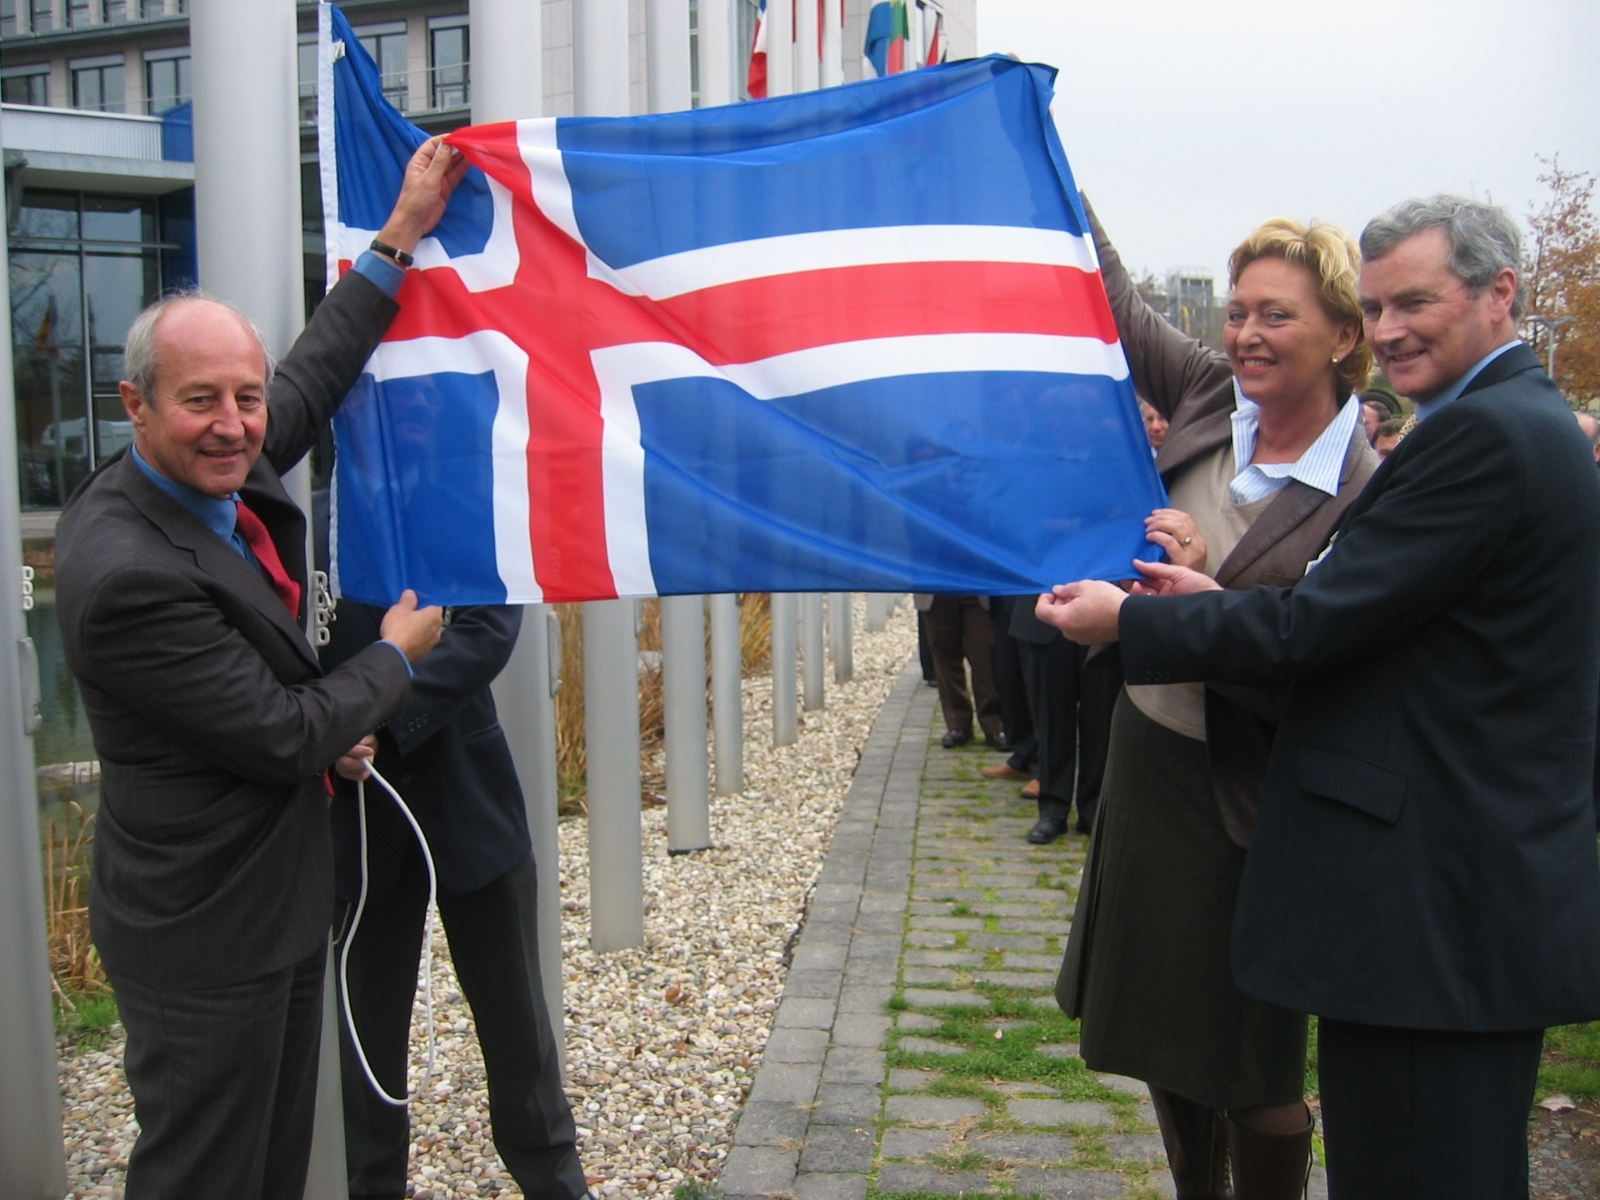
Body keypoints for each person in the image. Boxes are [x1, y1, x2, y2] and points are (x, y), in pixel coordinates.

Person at [1039, 195, 1600, 1200]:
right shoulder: (1505, 423)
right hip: (1430, 881)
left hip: (1428, 893)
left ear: (1499, 293)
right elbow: (1366, 624)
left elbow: (1311, 627)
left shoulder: (1473, 440)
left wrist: (1130, 624)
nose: (1393, 328)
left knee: (1412, 1158)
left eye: (1412, 303)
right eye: (1381, 304)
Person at [52, 137, 466, 1200]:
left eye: (243, 400)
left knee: (271, 1167)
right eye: (202, 402)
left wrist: (399, 237)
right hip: (205, 935)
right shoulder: (129, 571)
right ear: (134, 405)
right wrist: (386, 666)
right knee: (205, 1173)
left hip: (272, 902)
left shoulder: (209, 464)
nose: (237, 425)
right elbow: (283, 733)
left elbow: (310, 377)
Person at [1054, 199, 1379, 1198]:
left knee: (1251, 1062)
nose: (1246, 334)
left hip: (1249, 797)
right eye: (1238, 311)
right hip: (1149, 759)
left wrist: (1199, 601)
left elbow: (1315, 664)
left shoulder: (1365, 494)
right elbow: (1109, 292)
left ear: (1344, 334)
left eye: (1277, 315)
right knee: (1159, 1030)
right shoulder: (1204, 392)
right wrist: (1050, 161)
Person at [317, 570, 588, 1199]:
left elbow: (489, 631)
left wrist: (370, 710)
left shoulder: (458, 510)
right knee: (363, 1037)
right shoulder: (311, 520)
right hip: (356, 818)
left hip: (471, 799)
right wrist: (323, 727)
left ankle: (556, 1185)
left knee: (518, 1024)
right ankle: (369, 1186)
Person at [917, 593, 1005, 748]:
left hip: (979, 586)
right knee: (944, 655)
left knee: (986, 656)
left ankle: (994, 724)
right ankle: (957, 723)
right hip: (936, 586)